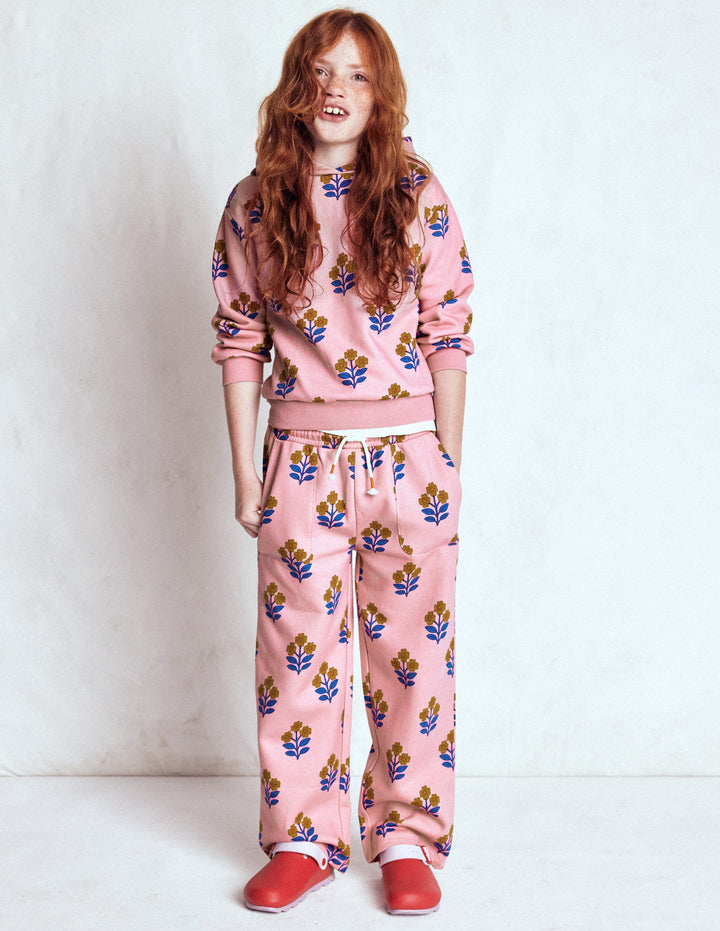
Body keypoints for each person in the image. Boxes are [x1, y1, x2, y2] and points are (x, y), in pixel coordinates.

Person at [210, 8, 473, 916]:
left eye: (358, 75)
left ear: (381, 93)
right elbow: (239, 338)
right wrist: (245, 473)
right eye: (321, 71)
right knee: (295, 657)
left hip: (407, 464)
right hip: (300, 464)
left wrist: (447, 460)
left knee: (413, 658)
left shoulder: (416, 190)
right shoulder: (254, 201)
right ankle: (304, 838)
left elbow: (448, 330)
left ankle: (406, 837)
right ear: (297, 87)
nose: (337, 89)